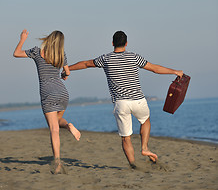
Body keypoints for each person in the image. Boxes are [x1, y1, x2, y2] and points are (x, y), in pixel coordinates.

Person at [65, 30, 183, 168]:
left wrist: (67, 69)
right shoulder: (134, 57)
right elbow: (154, 69)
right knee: (145, 121)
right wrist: (175, 71)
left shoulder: (106, 59)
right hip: (138, 100)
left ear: (112, 43)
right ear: (126, 43)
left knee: (126, 138)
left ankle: (133, 165)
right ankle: (144, 147)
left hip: (121, 103)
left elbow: (85, 64)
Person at [13, 29, 81, 174]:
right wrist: (64, 74)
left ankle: (57, 163)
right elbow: (67, 72)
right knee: (58, 121)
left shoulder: (37, 52)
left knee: (54, 129)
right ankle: (68, 126)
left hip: (47, 93)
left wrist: (23, 39)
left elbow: (16, 53)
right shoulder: (61, 54)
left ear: (49, 39)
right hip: (62, 93)